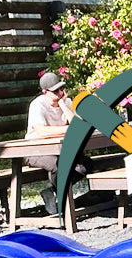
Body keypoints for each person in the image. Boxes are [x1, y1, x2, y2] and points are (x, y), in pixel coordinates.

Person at [25, 72, 86, 214]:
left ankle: (51, 191)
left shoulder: (66, 101)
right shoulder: (37, 105)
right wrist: (68, 130)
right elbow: (41, 131)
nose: (60, 93)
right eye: (56, 91)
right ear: (45, 92)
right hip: (35, 150)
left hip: (59, 149)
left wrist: (63, 105)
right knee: (59, 164)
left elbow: (77, 124)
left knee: (85, 164)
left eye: (62, 89)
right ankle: (64, 205)